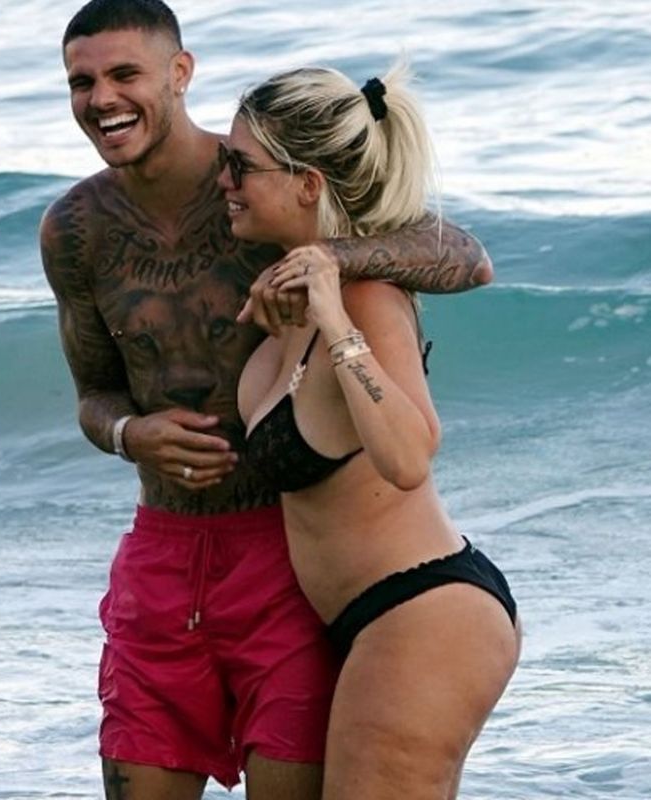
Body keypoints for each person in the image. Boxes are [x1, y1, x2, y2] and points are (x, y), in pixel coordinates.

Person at [40, 1, 494, 798]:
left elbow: (461, 254)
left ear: (181, 73)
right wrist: (128, 433)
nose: (102, 98)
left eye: (124, 74)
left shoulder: (259, 194)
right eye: (82, 82)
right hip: (161, 553)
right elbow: (94, 395)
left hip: (286, 558)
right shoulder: (75, 230)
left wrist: (328, 261)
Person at [221, 64, 521, 799]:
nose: (224, 180)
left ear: (307, 184)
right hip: (370, 619)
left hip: (423, 613)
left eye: (241, 166)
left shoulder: (368, 299)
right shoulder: (290, 297)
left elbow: (410, 456)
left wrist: (336, 323)